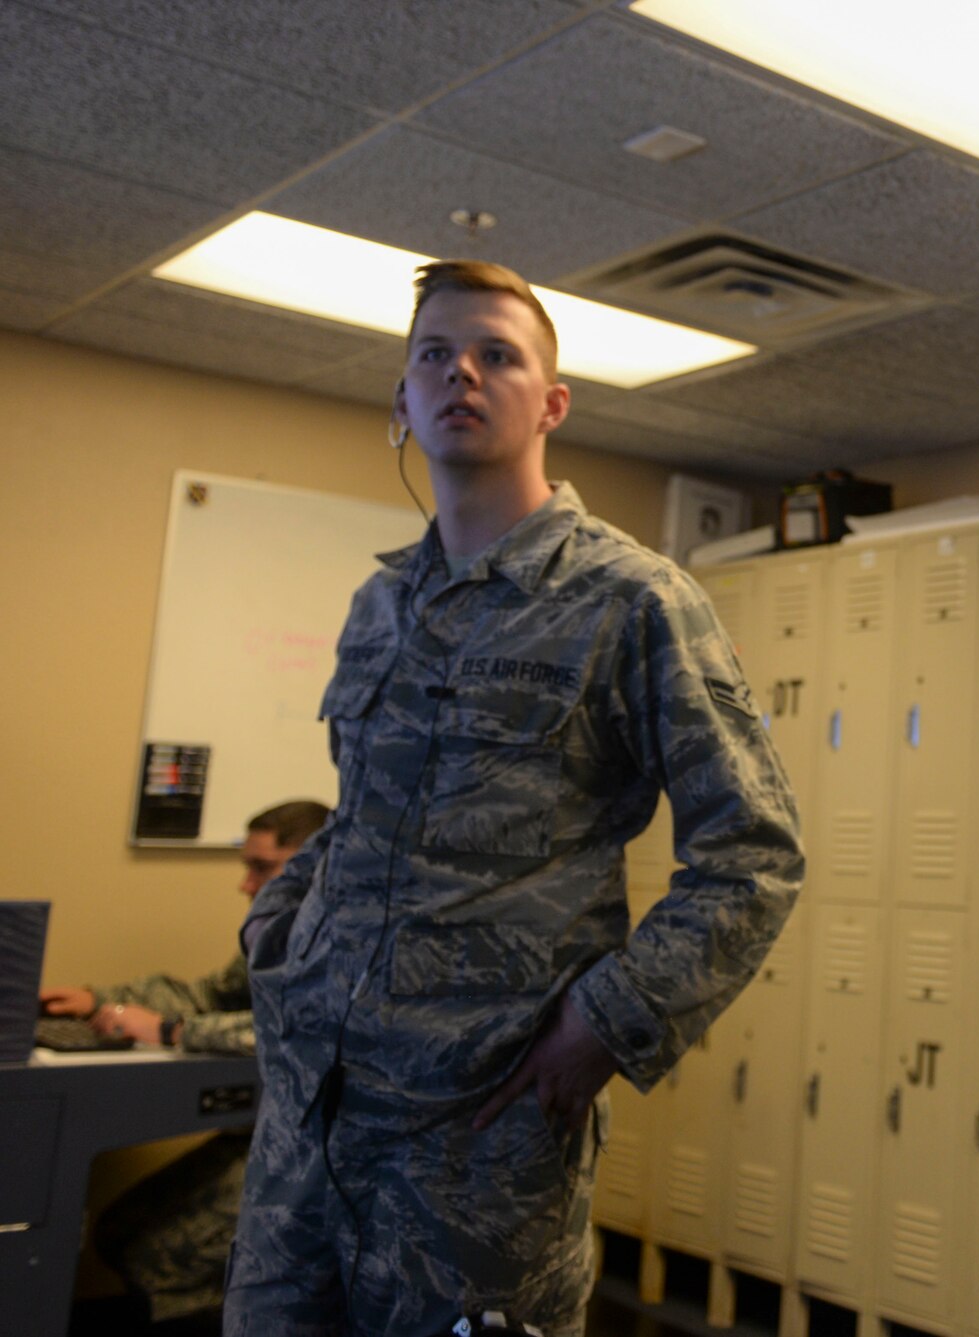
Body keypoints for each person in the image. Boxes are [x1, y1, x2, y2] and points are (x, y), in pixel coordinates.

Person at [223, 260, 804, 1336]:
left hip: (474, 1146)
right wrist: (274, 921)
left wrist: (607, 1022)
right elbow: (364, 812)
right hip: (310, 1124)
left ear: (552, 402)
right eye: (434, 355)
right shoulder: (380, 602)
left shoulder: (632, 599)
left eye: (498, 354)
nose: (461, 374)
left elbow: (754, 851)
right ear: (400, 399)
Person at [38, 800, 328, 1326]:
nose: (245, 885)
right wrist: (101, 1002)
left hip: (322, 1152)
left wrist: (173, 1032)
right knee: (120, 1230)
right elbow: (209, 996)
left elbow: (303, 1034)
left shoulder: (350, 940)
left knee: (160, 1255)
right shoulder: (275, 933)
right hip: (268, 1133)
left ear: (316, 865)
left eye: (262, 868)